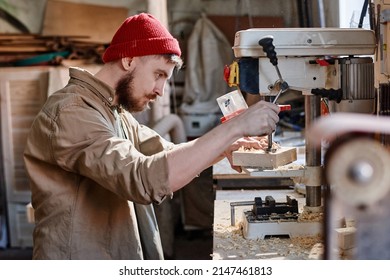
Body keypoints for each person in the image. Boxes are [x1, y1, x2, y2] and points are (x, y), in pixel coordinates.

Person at [23, 13, 280, 260]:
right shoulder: (72, 113)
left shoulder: (113, 111)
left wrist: (225, 146)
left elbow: (163, 153)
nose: (160, 90)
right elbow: (143, 178)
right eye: (158, 75)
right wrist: (233, 128)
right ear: (129, 59)